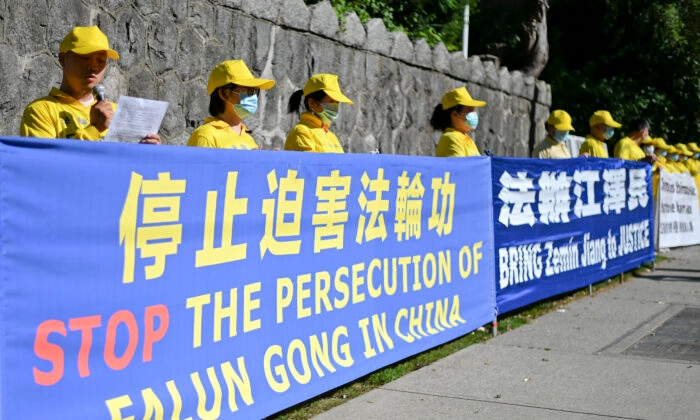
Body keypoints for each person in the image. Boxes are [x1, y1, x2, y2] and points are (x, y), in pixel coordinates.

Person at [20, 26, 160, 144]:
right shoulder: (40, 111)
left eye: (101, 60)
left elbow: (130, 165)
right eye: (85, 58)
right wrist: (94, 129)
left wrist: (149, 152)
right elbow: (45, 165)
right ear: (63, 59)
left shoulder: (118, 112)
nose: (93, 67)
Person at [188, 60, 274, 149]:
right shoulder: (205, 136)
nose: (253, 97)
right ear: (224, 94)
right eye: (247, 91)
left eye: (253, 91)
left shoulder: (249, 140)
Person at [284, 74, 353, 153]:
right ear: (312, 103)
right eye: (331, 102)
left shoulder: (332, 136)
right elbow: (311, 164)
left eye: (337, 102)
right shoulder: (302, 131)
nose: (335, 106)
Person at [431, 87, 487, 157]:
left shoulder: (464, 138)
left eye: (473, 110)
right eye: (470, 110)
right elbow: (460, 166)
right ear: (455, 114)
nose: (474, 114)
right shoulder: (451, 138)